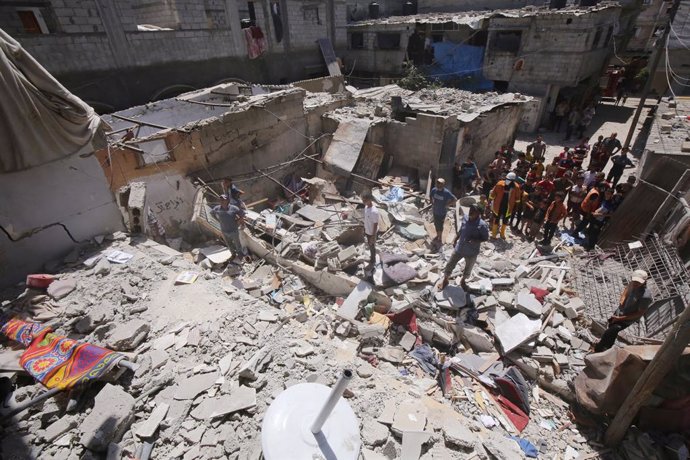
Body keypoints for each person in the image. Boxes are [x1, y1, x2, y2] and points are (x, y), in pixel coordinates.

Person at [594, 270, 652, 352]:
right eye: (634, 281)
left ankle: (602, 348)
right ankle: (605, 345)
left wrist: (620, 319)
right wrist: (622, 300)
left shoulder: (645, 296)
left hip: (627, 318)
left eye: (638, 282)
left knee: (613, 329)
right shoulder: (633, 284)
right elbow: (627, 289)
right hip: (620, 311)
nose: (635, 283)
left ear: (645, 281)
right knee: (611, 326)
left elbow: (639, 313)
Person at [439, 205, 489, 289]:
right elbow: (461, 230)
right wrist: (455, 239)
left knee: (468, 269)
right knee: (450, 264)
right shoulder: (465, 218)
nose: (470, 212)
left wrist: (475, 240)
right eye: (470, 209)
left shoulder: (482, 225)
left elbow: (485, 238)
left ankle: (463, 281)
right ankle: (445, 279)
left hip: (472, 251)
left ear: (478, 213)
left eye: (473, 211)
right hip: (460, 248)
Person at [211, 196, 247, 260]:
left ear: (227, 201)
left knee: (237, 244)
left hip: (234, 230)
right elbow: (212, 213)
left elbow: (243, 214)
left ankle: (240, 255)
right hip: (224, 231)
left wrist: (238, 221)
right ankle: (233, 254)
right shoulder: (217, 208)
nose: (221, 201)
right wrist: (217, 220)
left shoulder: (234, 208)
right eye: (221, 200)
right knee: (229, 244)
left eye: (223, 200)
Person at [489, 172, 521, 239]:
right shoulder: (499, 184)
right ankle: (494, 234)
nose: (507, 180)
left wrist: (516, 208)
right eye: (507, 179)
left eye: (509, 180)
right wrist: (489, 202)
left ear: (513, 181)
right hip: (498, 205)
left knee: (505, 220)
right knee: (496, 219)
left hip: (508, 207)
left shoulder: (516, 187)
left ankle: (502, 233)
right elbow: (493, 193)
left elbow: (517, 199)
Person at [430, 178, 456, 244]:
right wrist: (432, 202)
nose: (438, 185)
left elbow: (454, 199)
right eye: (437, 183)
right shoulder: (434, 190)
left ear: (443, 184)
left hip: (442, 212)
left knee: (440, 225)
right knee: (436, 224)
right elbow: (430, 195)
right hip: (435, 211)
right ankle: (437, 235)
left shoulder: (446, 192)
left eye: (440, 184)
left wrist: (447, 204)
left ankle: (440, 238)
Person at [362, 192, 379, 269]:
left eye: (365, 200)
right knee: (369, 245)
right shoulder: (366, 207)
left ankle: (373, 260)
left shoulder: (374, 211)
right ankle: (372, 257)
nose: (363, 202)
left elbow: (375, 225)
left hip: (372, 232)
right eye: (363, 200)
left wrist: (373, 236)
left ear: (370, 200)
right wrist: (365, 229)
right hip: (367, 231)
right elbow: (366, 219)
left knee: (372, 246)